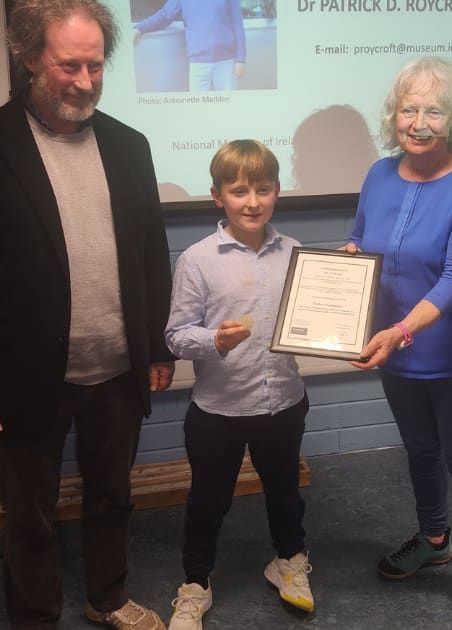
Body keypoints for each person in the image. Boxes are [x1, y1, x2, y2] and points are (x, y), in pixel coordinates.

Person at [0, 1, 176, 628]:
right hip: (27, 374)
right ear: (28, 58)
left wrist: (157, 344)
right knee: (31, 511)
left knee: (112, 495)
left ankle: (108, 597)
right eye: (68, 66)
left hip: (117, 367)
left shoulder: (130, 146)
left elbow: (153, 251)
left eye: (96, 66)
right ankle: (34, 613)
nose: (85, 82)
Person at [343, 56, 452, 628]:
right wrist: (339, 272)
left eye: (433, 109)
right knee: (420, 450)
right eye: (409, 108)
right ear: (394, 115)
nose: (419, 121)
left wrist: (402, 330)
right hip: (395, 350)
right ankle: (434, 537)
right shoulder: (380, 174)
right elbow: (361, 241)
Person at [162, 139, 312, 629]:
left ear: (277, 192)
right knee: (208, 500)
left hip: (283, 402)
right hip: (218, 409)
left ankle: (289, 562)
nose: (253, 201)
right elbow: (176, 334)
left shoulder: (295, 253)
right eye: (239, 190)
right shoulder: (198, 260)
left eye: (263, 189)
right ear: (217, 196)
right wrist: (215, 342)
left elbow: (316, 316)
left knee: (285, 492)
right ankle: (195, 584)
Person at [131, 0, 245, 92]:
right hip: (198, 64)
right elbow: (164, 15)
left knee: (228, 107)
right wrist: (140, 28)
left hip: (226, 63)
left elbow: (238, 25)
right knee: (197, 110)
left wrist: (240, 59)